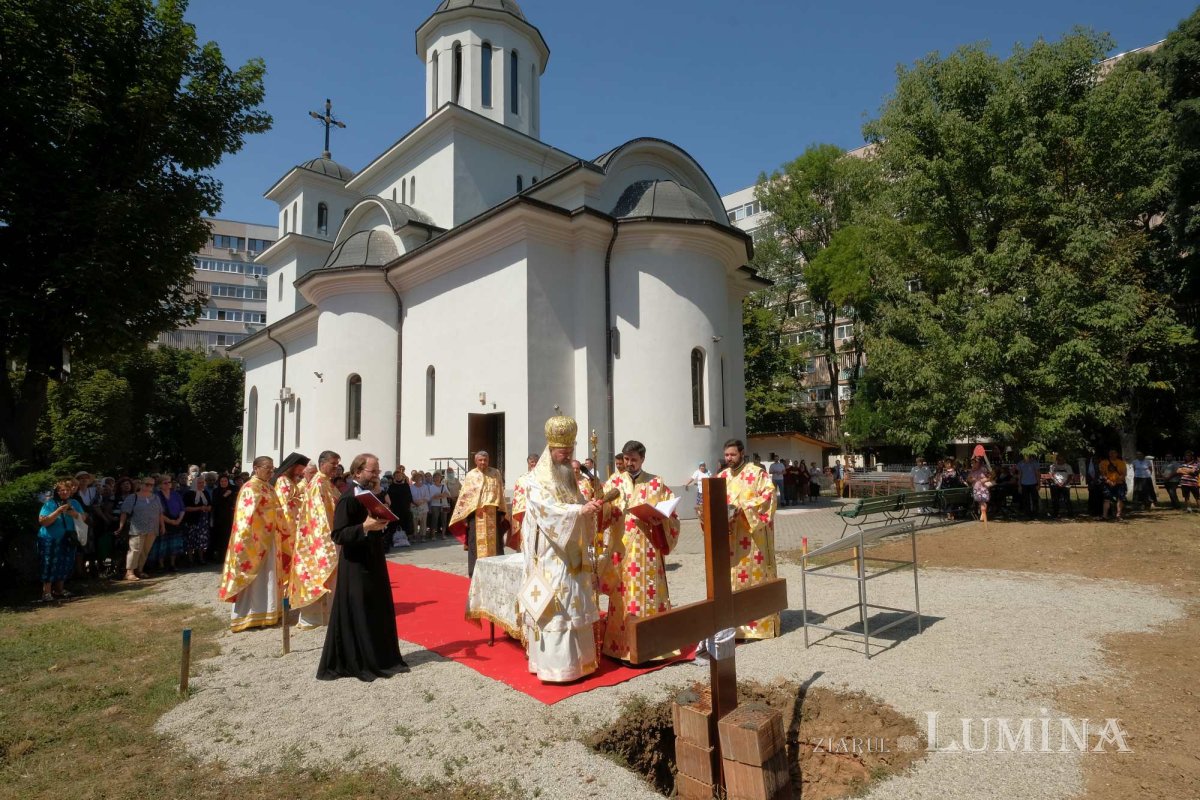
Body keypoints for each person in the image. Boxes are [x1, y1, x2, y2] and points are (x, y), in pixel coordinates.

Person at [516, 415, 602, 683]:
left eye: (569, 452)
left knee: (574, 601)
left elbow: (575, 502)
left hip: (571, 551)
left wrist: (588, 507)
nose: (566, 457)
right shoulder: (537, 480)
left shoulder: (567, 477)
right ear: (551, 449)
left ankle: (581, 663)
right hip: (550, 554)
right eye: (562, 452)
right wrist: (578, 511)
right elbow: (547, 510)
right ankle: (556, 668)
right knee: (557, 606)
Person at [317, 453, 410, 681]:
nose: (377, 475)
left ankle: (380, 657)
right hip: (356, 564)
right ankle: (360, 659)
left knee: (376, 608)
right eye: (372, 471)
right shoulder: (349, 497)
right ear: (358, 472)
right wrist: (365, 527)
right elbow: (338, 534)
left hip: (373, 558)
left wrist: (381, 521)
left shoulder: (370, 495)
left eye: (378, 470)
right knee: (359, 610)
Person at [596, 440, 680, 663]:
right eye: (626, 459)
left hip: (647, 550)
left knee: (648, 596)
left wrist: (661, 520)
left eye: (634, 459)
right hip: (621, 549)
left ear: (643, 459)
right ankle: (620, 647)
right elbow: (604, 516)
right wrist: (601, 507)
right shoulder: (613, 482)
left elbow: (671, 514)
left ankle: (652, 646)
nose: (629, 463)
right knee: (622, 597)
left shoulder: (656, 483)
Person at [718, 438, 779, 640]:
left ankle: (759, 626)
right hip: (729, 539)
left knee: (754, 577)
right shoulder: (721, 476)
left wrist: (742, 509)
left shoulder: (757, 473)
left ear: (742, 453)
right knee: (731, 581)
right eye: (726, 455)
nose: (729, 458)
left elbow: (769, 497)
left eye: (732, 454)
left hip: (752, 538)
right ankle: (733, 625)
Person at [217, 457, 286, 632]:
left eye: (272, 468)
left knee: (268, 576)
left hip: (269, 540)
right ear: (256, 468)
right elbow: (246, 517)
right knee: (254, 578)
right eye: (267, 468)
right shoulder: (250, 488)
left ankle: (268, 612)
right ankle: (248, 615)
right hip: (254, 542)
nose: (271, 471)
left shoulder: (269, 487)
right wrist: (274, 513)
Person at [290, 450, 341, 629]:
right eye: (333, 464)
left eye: (337, 464)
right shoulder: (318, 484)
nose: (336, 468)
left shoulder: (326, 483)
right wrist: (329, 538)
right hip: (321, 538)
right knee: (322, 575)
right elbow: (319, 516)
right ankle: (319, 616)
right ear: (322, 463)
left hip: (331, 534)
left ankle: (330, 613)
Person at [448, 450, 506, 577]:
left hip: (493, 513)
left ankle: (496, 571)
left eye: (485, 460)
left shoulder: (495, 473)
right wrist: (463, 515)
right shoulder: (471, 475)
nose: (483, 462)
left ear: (488, 460)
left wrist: (502, 511)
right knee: (475, 543)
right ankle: (475, 573)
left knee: (495, 543)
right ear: (476, 461)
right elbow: (465, 496)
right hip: (475, 514)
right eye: (480, 460)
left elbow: (500, 492)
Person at [37, 478, 83, 602]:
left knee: (65, 563)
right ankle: (46, 592)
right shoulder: (50, 504)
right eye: (61, 490)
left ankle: (59, 590)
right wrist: (58, 511)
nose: (64, 492)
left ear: (71, 491)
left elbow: (83, 518)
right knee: (49, 564)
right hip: (50, 538)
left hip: (68, 538)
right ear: (57, 491)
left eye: (67, 490)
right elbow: (43, 521)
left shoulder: (74, 503)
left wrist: (73, 513)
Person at [273, 452, 309, 589]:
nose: (300, 473)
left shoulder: (291, 481)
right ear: (292, 467)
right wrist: (303, 500)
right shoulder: (283, 480)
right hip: (288, 524)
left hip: (294, 522)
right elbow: (285, 504)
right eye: (299, 469)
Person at [120, 477, 165, 581]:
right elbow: (124, 512)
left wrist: (162, 526)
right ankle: (129, 572)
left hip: (152, 528)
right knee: (135, 550)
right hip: (137, 528)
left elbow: (160, 513)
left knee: (145, 551)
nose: (149, 486)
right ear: (141, 484)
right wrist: (121, 526)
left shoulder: (155, 497)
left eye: (152, 485)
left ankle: (139, 570)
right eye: (147, 484)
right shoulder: (133, 497)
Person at [154, 476, 186, 572]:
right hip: (162, 522)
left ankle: (172, 564)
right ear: (160, 485)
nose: (168, 484)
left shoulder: (176, 494)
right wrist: (170, 521)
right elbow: (157, 511)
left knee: (174, 544)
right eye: (165, 483)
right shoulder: (156, 496)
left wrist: (178, 520)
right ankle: (161, 565)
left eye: (169, 482)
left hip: (177, 521)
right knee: (162, 545)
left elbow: (182, 508)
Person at [208, 475, 237, 562]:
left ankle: (230, 556)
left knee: (229, 536)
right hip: (219, 518)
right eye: (222, 481)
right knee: (220, 538)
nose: (223, 483)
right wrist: (225, 495)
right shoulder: (216, 491)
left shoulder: (232, 490)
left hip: (230, 517)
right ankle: (220, 557)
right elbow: (215, 503)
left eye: (225, 481)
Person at [386, 465, 414, 547]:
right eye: (396, 476)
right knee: (394, 525)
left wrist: (409, 506)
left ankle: (405, 539)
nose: (398, 477)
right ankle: (394, 540)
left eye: (399, 475)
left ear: (402, 476)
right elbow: (389, 498)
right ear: (394, 477)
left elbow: (410, 497)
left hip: (404, 509)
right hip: (395, 509)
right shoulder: (391, 486)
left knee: (405, 524)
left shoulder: (406, 485)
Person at [1099, 449, 1127, 522]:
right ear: (1108, 454)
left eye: (1114, 453)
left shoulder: (1121, 463)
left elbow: (1124, 474)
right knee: (1106, 499)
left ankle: (1118, 515)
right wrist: (1108, 481)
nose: (1112, 454)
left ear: (1117, 454)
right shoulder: (1103, 463)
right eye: (1111, 453)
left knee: (1120, 498)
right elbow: (1102, 474)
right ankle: (1104, 516)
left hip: (1119, 483)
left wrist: (1116, 481)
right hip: (1107, 483)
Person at [1048, 454, 1074, 519]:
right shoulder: (1052, 466)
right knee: (1055, 500)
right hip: (1055, 485)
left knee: (1067, 500)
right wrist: (1056, 483)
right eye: (1058, 459)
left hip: (1065, 485)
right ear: (1056, 460)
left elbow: (1070, 476)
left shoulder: (1068, 466)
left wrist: (1064, 483)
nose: (1060, 461)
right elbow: (1051, 476)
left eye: (1062, 459)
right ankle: (1055, 514)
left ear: (1064, 460)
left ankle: (1070, 514)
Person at [1016, 454, 1041, 519]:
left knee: (1035, 499)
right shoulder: (1020, 463)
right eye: (1025, 455)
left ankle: (1035, 513)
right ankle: (1027, 514)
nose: (1026, 456)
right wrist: (1019, 485)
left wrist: (1039, 484)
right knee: (1025, 500)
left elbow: (1037, 474)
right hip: (1024, 484)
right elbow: (1019, 475)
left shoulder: (1034, 463)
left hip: (1033, 483)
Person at [409, 472, 431, 542]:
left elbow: (428, 497)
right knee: (414, 522)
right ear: (414, 478)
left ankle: (423, 536)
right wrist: (414, 502)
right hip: (414, 506)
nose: (418, 478)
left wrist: (421, 501)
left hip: (423, 506)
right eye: (416, 477)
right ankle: (415, 536)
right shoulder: (411, 487)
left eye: (419, 477)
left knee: (423, 522)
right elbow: (409, 497)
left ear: (422, 478)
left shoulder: (425, 487)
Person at [428, 472, 451, 538]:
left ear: (441, 478)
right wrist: (442, 495)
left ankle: (443, 535)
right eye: (435, 477)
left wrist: (439, 495)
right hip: (435, 505)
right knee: (434, 520)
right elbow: (431, 497)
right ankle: (433, 535)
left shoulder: (444, 485)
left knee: (444, 520)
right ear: (433, 478)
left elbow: (449, 495)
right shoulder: (431, 487)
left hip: (444, 504)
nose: (437, 478)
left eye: (439, 477)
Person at [1083, 450, 1104, 518]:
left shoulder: (1102, 464)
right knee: (1092, 498)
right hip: (1092, 484)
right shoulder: (1089, 464)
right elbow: (1088, 474)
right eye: (1094, 458)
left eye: (1096, 458)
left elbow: (1103, 474)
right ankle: (1092, 511)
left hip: (1100, 484)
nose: (1095, 460)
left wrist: (1099, 480)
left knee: (1101, 498)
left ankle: (1101, 511)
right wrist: (1091, 481)